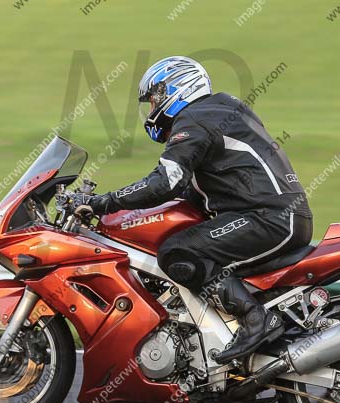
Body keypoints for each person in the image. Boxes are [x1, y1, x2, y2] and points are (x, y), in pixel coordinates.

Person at [75, 56, 313, 364]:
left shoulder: (195, 119)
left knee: (178, 252)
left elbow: (166, 181)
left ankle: (256, 320)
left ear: (178, 87)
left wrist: (103, 202)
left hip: (267, 218)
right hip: (275, 214)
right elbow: (194, 188)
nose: (152, 109)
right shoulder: (219, 109)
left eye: (155, 98)